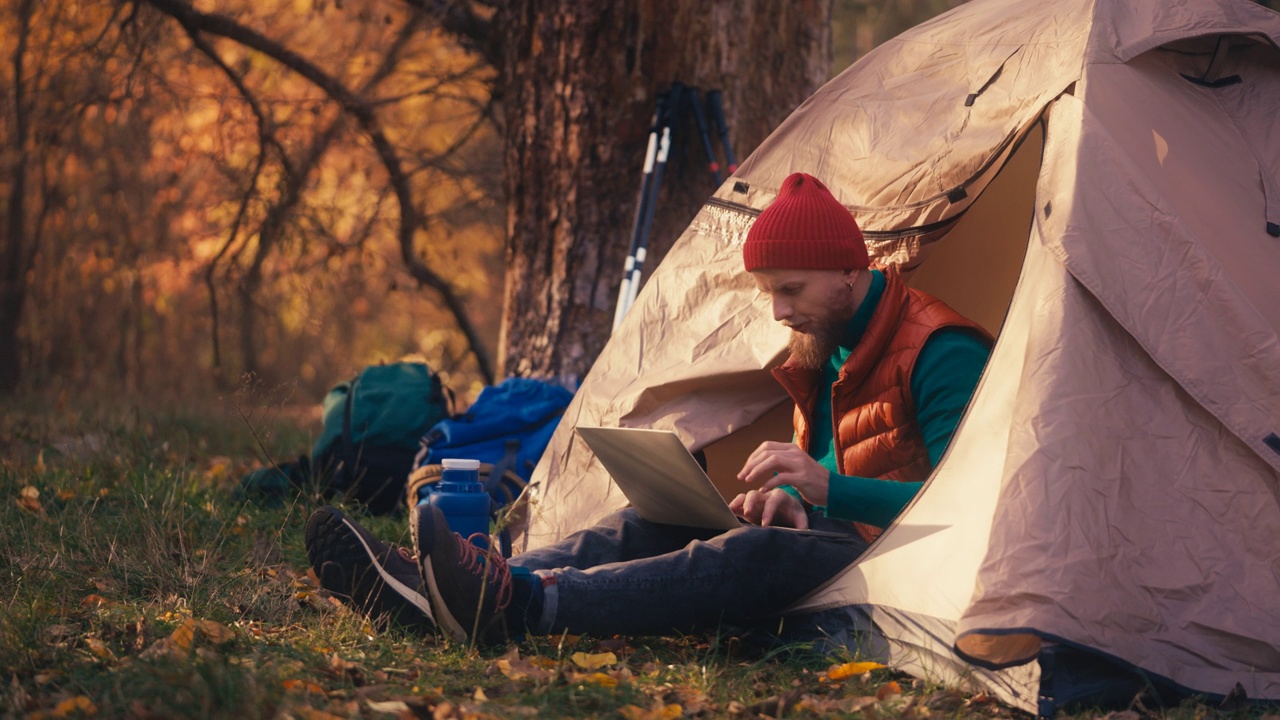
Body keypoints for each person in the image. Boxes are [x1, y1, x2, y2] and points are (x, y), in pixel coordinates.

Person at [306, 171, 992, 645]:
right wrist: (793, 497)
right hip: (839, 537)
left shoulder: (941, 350)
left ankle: (517, 604)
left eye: (792, 290)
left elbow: (966, 511)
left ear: (851, 272)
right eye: (769, 295)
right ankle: (467, 582)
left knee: (744, 555)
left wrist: (825, 488)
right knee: (655, 518)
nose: (780, 313)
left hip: (905, 566)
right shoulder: (826, 344)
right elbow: (832, 476)